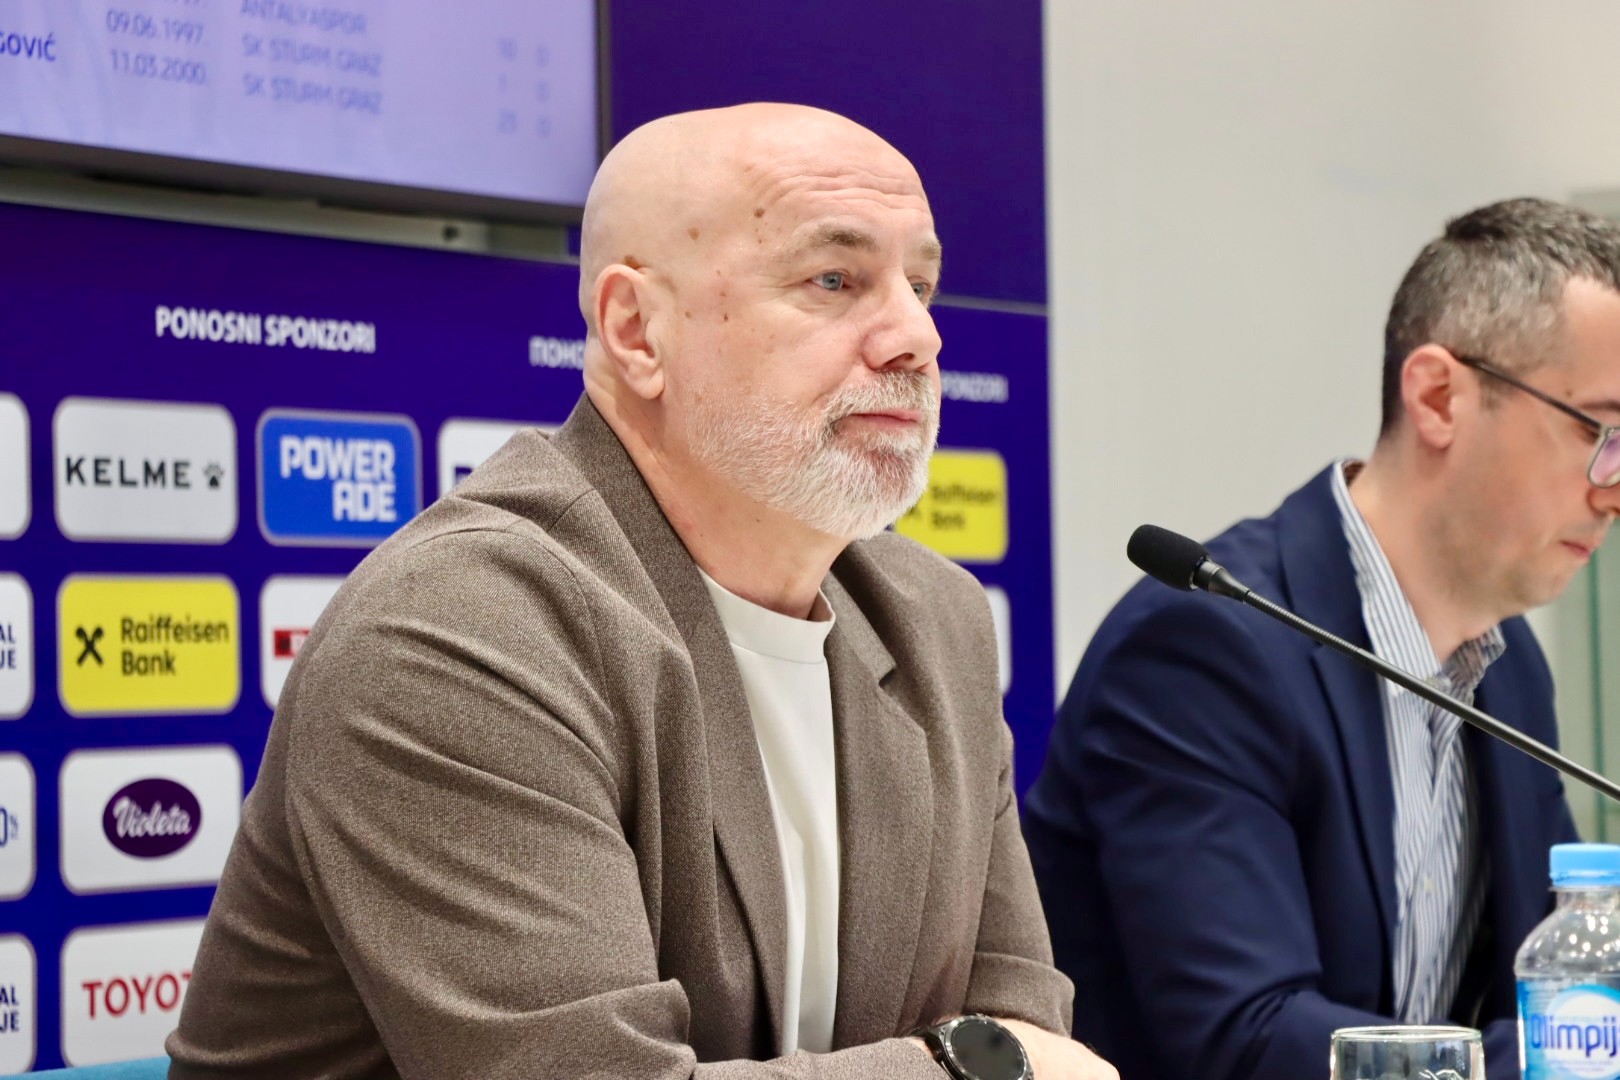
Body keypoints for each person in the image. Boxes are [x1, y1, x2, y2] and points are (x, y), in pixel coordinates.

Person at [167, 103, 1113, 1080]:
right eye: (834, 281)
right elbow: (1018, 1063)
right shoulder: (457, 629)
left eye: (919, 287)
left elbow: (1022, 1022)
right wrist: (968, 1071)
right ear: (636, 331)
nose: (916, 338)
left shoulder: (935, 621)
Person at [1023, 197, 1620, 1080]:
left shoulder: (1510, 665)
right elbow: (1246, 1041)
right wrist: (1588, 1052)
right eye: (1601, 432)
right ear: (1439, 397)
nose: (1614, 489)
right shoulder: (1204, 647)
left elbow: (1553, 974)